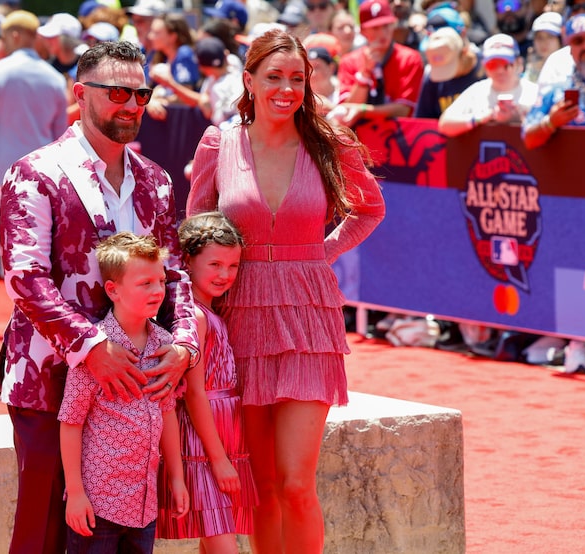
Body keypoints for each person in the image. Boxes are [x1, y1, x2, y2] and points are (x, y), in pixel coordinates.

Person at [0, 40, 199, 554]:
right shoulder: (34, 172)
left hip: (133, 389)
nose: (131, 105)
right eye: (117, 92)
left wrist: (186, 345)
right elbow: (25, 278)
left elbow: (175, 276)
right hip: (50, 377)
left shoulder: (156, 180)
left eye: (140, 93)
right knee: (42, 533)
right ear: (80, 93)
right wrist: (90, 347)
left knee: (122, 537)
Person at [187, 29, 385, 553]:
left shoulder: (331, 142)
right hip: (237, 318)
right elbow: (195, 230)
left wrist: (321, 252)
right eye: (273, 77)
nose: (286, 88)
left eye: (297, 78)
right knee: (262, 486)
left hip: (308, 318)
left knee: (297, 484)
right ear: (248, 81)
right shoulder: (219, 144)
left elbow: (370, 208)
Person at [60, 232, 189, 553]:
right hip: (97, 505)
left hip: (143, 504)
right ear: (113, 290)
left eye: (160, 281)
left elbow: (167, 412)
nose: (157, 290)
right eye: (145, 283)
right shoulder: (96, 351)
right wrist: (75, 493)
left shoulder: (164, 344)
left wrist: (176, 478)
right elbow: (71, 421)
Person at [156, 212, 257, 552]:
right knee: (223, 542)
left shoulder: (210, 312)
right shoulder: (195, 317)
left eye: (232, 266)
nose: (224, 274)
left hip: (224, 433)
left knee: (215, 537)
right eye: (214, 264)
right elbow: (195, 393)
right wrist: (218, 459)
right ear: (186, 260)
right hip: (204, 440)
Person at [0, 10, 68, 255]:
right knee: (41, 244)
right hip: (45, 172)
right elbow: (61, 135)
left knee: (9, 247)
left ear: (13, 35)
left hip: (2, 171)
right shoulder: (54, 78)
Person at [523, 13, 585, 149]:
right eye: (578, 41)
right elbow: (527, 139)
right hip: (571, 167)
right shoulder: (557, 90)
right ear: (569, 49)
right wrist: (550, 123)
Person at [332, 0, 424, 127]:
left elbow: (404, 110)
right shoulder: (349, 61)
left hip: (400, 139)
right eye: (375, 27)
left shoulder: (410, 58)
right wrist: (365, 74)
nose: (382, 33)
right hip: (359, 139)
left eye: (386, 26)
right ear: (363, 31)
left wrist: (363, 111)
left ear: (393, 25)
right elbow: (346, 111)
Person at [439, 33, 538, 136]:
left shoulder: (534, 92)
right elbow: (444, 124)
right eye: (493, 64)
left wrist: (518, 120)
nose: (499, 70)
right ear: (484, 66)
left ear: (518, 63)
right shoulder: (477, 91)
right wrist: (480, 119)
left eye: (505, 64)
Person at [415, 27, 484, 119]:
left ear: (464, 52)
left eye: (448, 66)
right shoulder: (431, 79)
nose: (443, 75)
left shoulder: (486, 70)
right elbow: (423, 119)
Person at [523, 11, 563, 83]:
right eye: (539, 38)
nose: (544, 42)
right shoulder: (529, 71)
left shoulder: (571, 68)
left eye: (550, 37)